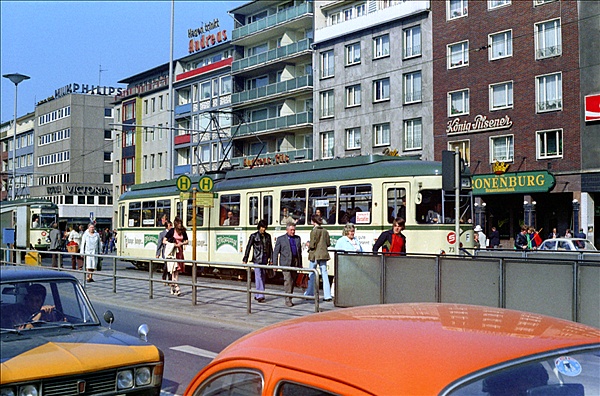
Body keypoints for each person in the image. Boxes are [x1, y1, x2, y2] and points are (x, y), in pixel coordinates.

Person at [273, 222, 302, 307]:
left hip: (294, 263)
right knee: (288, 281)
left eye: (294, 230)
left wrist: (300, 264)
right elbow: (276, 252)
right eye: (291, 230)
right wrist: (274, 264)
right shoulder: (281, 239)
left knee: (292, 281)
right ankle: (287, 299)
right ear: (287, 230)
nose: (293, 232)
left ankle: (290, 296)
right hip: (285, 263)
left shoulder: (297, 239)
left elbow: (299, 252)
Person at [243, 220, 272, 303]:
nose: (263, 229)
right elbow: (248, 247)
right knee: (258, 276)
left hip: (264, 259)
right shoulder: (254, 236)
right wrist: (245, 258)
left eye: (264, 227)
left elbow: (270, 248)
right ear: (259, 227)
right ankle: (260, 295)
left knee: (262, 276)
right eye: (262, 227)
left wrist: (271, 259)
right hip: (257, 259)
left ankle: (257, 294)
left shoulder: (268, 236)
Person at [305, 215, 332, 302]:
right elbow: (328, 243)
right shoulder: (325, 231)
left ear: (313, 221)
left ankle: (309, 293)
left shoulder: (313, 231)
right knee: (324, 274)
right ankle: (327, 295)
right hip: (323, 254)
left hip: (314, 255)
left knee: (312, 274)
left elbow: (312, 245)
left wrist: (308, 245)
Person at [163, 217, 188, 296]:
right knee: (173, 270)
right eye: (179, 223)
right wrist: (173, 244)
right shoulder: (172, 231)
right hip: (173, 253)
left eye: (181, 223)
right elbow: (164, 240)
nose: (180, 225)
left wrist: (182, 243)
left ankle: (172, 288)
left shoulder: (183, 231)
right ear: (176, 224)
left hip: (179, 252)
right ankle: (177, 287)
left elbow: (186, 241)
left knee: (177, 271)